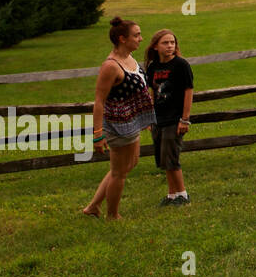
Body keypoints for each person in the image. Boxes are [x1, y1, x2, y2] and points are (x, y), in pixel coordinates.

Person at [82, 18, 156, 220]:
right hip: (117, 125)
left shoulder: (130, 58)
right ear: (123, 39)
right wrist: (98, 135)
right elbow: (99, 101)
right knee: (119, 173)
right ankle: (112, 215)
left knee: (130, 164)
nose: (141, 38)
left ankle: (93, 207)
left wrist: (145, 117)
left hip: (133, 122)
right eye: (137, 35)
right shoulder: (111, 66)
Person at [144, 30, 194, 206]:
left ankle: (183, 195)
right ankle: (171, 195)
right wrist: (149, 116)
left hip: (175, 119)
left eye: (172, 42)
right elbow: (151, 91)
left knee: (172, 158)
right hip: (158, 119)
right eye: (165, 43)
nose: (170, 46)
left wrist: (184, 119)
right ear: (156, 46)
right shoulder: (152, 67)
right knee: (163, 158)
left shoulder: (181, 65)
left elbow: (189, 91)